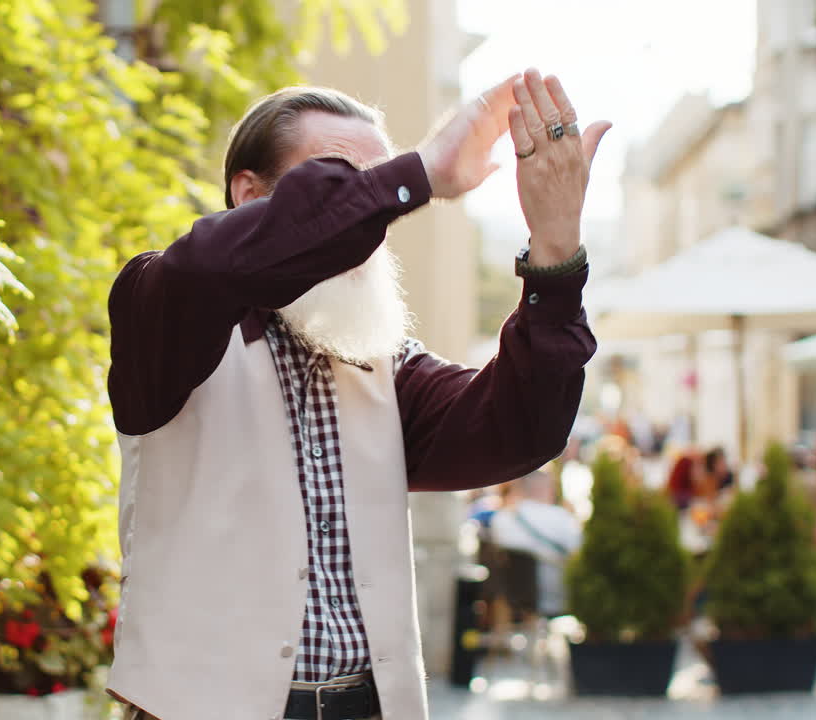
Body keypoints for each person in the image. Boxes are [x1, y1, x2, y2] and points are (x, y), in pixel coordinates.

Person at [106, 69, 608, 720]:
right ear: (248, 195)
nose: (368, 219)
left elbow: (519, 429)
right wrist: (416, 174)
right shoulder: (165, 309)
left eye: (377, 197)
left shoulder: (384, 369)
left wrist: (556, 247)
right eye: (341, 183)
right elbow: (206, 266)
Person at [489, 470, 583, 617]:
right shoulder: (562, 518)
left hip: (515, 601)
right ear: (548, 488)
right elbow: (580, 553)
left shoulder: (501, 519)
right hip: (560, 600)